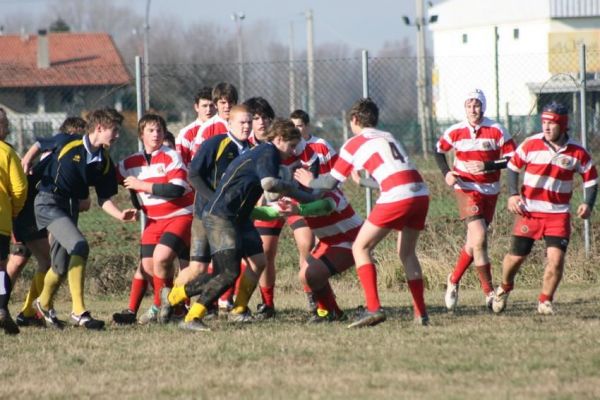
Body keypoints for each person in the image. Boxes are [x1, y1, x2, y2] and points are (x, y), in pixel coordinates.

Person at [164, 118, 314, 331]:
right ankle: (189, 315)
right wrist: (299, 190)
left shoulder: (264, 151)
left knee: (258, 260)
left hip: (239, 217)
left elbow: (268, 187)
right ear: (279, 139)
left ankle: (237, 309)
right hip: (222, 215)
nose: (293, 152)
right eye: (291, 146)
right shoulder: (267, 152)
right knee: (227, 273)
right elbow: (269, 186)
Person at [295, 98, 430, 327]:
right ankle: (421, 314)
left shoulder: (353, 143)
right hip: (420, 191)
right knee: (407, 253)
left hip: (397, 196)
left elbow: (330, 183)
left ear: (355, 120)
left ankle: (374, 309)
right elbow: (394, 176)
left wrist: (310, 180)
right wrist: (364, 183)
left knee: (360, 247)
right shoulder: (388, 136)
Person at [30, 108, 137, 330]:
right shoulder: (69, 141)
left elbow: (104, 198)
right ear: (99, 128)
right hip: (48, 203)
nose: (117, 136)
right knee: (80, 245)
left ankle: (42, 303)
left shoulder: (104, 161)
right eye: (114, 131)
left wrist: (120, 214)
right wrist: (26, 160)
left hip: (70, 209)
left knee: (59, 268)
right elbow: (41, 143)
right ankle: (78, 312)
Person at [492, 101, 597, 315]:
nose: (547, 127)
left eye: (552, 123)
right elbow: (512, 166)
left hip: (557, 215)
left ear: (563, 125)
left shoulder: (577, 151)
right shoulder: (531, 144)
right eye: (544, 122)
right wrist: (513, 195)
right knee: (516, 258)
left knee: (556, 259)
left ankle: (545, 301)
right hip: (529, 212)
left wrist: (587, 203)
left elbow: (591, 178)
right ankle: (504, 287)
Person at [435, 88, 516, 311]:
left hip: (490, 191)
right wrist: (447, 173)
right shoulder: (456, 131)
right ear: (464, 107)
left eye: (477, 104)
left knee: (473, 243)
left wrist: (487, 166)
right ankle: (489, 293)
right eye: (469, 105)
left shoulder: (497, 129)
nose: (473, 109)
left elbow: (512, 159)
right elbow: (438, 150)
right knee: (479, 237)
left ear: (484, 106)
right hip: (465, 188)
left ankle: (453, 279)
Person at [112, 114, 194, 325]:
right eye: (150, 130)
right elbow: (109, 177)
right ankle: (169, 309)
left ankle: (168, 309)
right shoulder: (131, 162)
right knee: (148, 266)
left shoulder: (171, 155)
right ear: (141, 135)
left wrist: (142, 186)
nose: (156, 134)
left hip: (179, 216)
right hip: (154, 220)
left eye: (159, 130)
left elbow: (177, 189)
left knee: (161, 257)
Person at [7, 117, 87, 327]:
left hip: (34, 212)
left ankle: (28, 312)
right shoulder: (58, 156)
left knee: (27, 260)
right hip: (28, 212)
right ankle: (25, 310)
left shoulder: (63, 155)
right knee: (30, 261)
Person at [168, 105, 253, 299]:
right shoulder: (215, 143)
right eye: (242, 122)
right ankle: (171, 301)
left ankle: (237, 308)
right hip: (205, 214)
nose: (246, 126)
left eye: (249, 122)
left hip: (232, 218)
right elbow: (194, 175)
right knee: (198, 268)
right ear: (229, 123)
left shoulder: (252, 151)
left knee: (248, 263)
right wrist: (216, 200)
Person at [290, 109, 338, 312]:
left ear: (307, 126)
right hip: (299, 204)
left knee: (322, 249)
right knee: (306, 245)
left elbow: (337, 173)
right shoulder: (288, 149)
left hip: (321, 203)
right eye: (292, 126)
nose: (296, 130)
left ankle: (324, 298)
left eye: (299, 126)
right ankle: (311, 294)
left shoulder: (321, 146)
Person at [0, 107, 28, 334]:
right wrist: (13, 211)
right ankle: (1, 308)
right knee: (0, 268)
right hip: (1, 218)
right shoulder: (7, 153)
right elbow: (19, 189)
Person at [191, 82, 238, 154]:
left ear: (235, 103)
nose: (227, 106)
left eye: (230, 102)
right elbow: (198, 159)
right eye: (223, 102)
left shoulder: (244, 124)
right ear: (215, 104)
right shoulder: (207, 128)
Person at [176, 87, 215, 168]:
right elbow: (180, 163)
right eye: (204, 106)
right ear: (196, 107)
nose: (208, 110)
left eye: (211, 105)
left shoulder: (224, 128)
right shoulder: (186, 133)